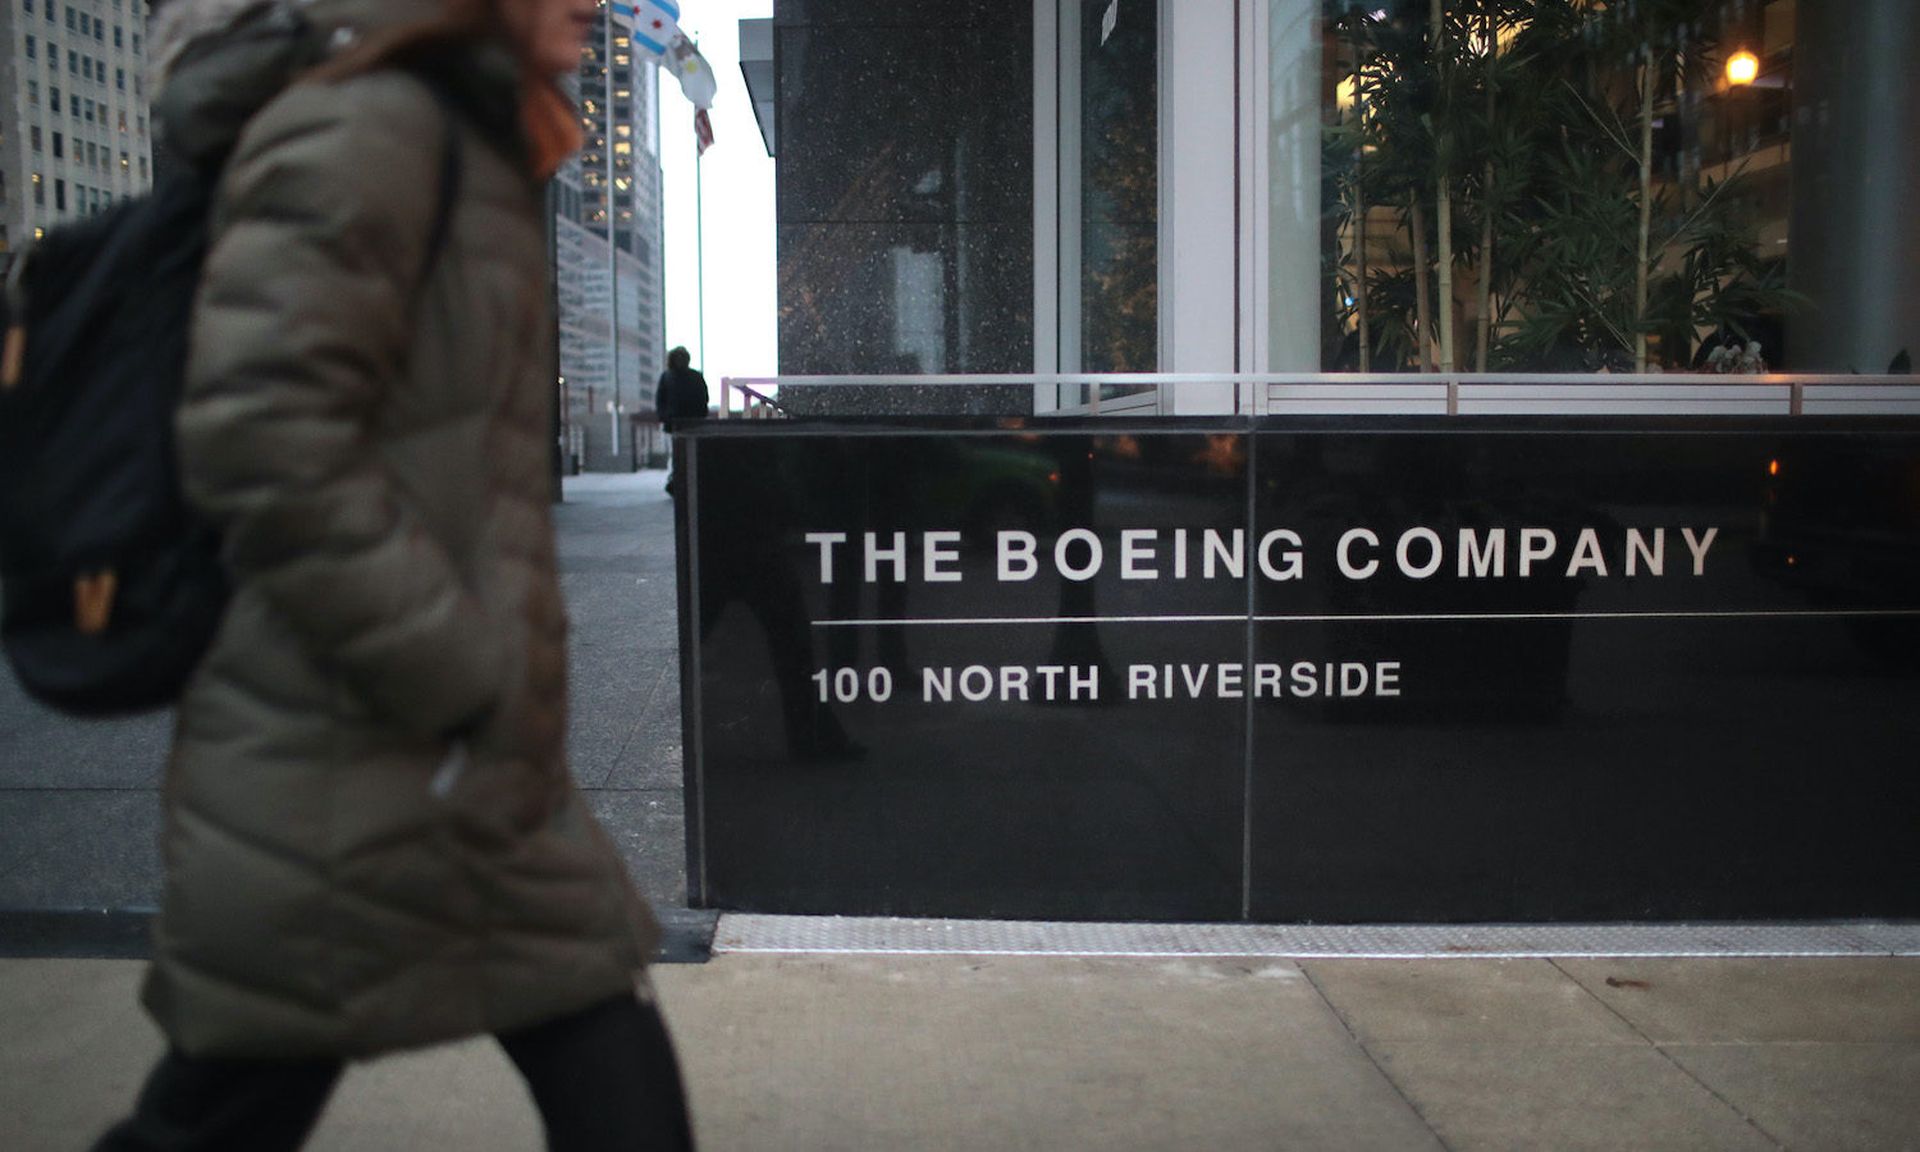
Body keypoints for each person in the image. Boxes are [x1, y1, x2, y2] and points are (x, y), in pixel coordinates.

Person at [94, 1, 693, 1148]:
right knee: (226, 1110)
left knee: (607, 1058)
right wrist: (457, 669)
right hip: (347, 750)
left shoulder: (457, 139)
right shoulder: (371, 129)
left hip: (454, 760)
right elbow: (259, 439)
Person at [655, 346, 710, 498]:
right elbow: (703, 398)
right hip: (689, 422)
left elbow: (660, 400)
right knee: (687, 453)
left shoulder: (667, 377)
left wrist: (665, 417)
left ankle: (677, 482)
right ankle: (683, 481)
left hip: (677, 422)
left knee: (678, 454)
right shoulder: (695, 376)